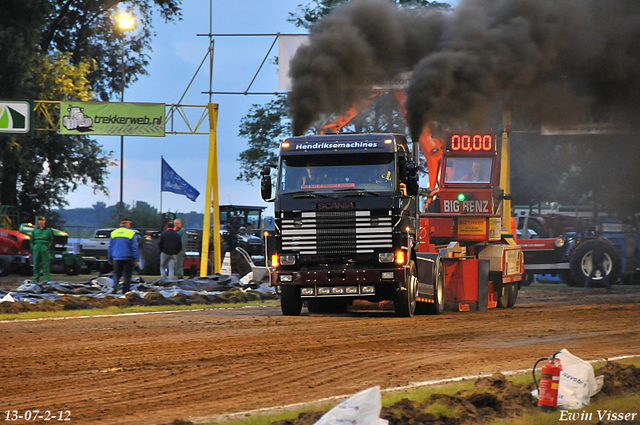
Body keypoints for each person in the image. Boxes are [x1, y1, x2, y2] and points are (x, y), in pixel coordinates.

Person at [108, 218, 139, 294]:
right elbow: (134, 247)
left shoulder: (114, 233)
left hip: (116, 257)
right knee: (127, 274)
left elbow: (110, 246)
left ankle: (115, 285)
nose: (130, 225)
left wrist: (110, 257)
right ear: (127, 224)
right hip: (128, 257)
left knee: (116, 273)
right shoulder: (131, 233)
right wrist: (137, 259)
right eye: (129, 223)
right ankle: (125, 290)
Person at [32, 216, 53, 283]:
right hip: (36, 247)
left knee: (46, 264)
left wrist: (47, 246)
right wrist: (33, 247)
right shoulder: (35, 230)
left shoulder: (48, 230)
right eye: (40, 220)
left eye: (42, 220)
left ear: (44, 221)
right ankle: (36, 280)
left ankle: (46, 280)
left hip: (44, 247)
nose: (41, 222)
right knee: (36, 264)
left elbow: (51, 239)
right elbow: (31, 239)